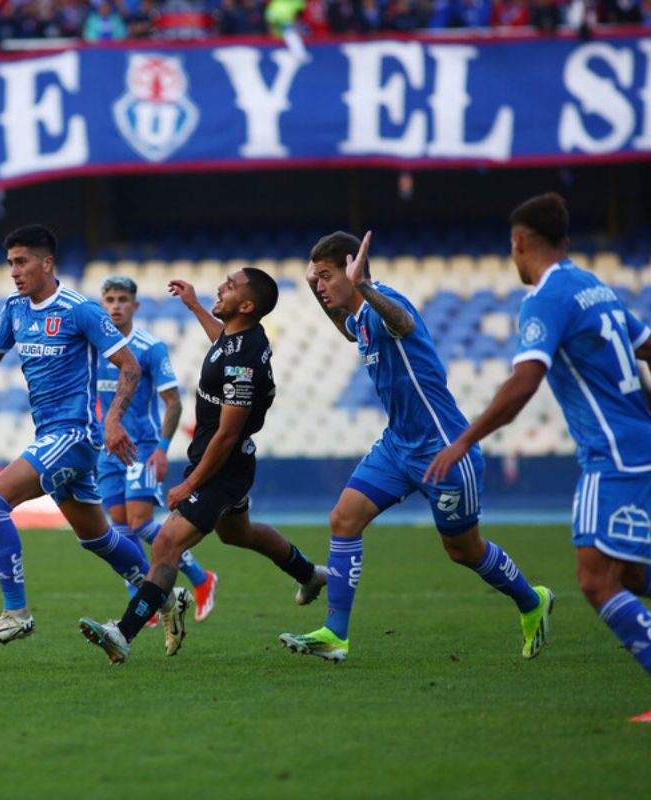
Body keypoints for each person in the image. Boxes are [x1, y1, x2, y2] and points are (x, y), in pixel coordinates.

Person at [425, 193, 651, 723]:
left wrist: (464, 439)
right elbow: (647, 349)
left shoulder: (546, 298)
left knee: (598, 581)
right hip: (638, 442)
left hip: (614, 454)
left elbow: (525, 381)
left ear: (519, 243)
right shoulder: (598, 288)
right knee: (633, 576)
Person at [279, 231, 552, 663]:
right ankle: (335, 633)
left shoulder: (386, 301)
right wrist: (318, 290)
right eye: (319, 280)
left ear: (353, 269)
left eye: (328, 277)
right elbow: (347, 330)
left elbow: (402, 323)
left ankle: (531, 600)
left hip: (442, 448)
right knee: (343, 519)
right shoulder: (359, 318)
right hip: (397, 445)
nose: (322, 285)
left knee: (462, 549)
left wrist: (363, 285)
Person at [79, 268, 328, 664]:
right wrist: (195, 304)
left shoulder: (245, 359)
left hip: (222, 466)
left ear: (247, 305)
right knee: (239, 533)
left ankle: (123, 633)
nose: (220, 287)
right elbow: (221, 349)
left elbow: (227, 435)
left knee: (165, 543)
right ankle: (308, 573)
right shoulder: (237, 340)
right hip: (221, 460)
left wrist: (190, 482)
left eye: (229, 286)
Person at [0, 224, 153, 646]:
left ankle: (15, 613)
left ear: (47, 262)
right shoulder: (15, 308)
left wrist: (112, 422)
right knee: (97, 539)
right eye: (10, 264)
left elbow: (130, 366)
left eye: (22, 262)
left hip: (74, 435)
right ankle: (162, 593)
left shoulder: (81, 310)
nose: (15, 271)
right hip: (51, 436)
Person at [96, 275, 219, 623]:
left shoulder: (150, 347)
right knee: (118, 530)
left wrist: (162, 449)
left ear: (135, 306)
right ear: (101, 305)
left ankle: (201, 578)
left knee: (140, 521)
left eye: (123, 299)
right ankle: (142, 602)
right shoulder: (95, 346)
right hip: (107, 452)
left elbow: (174, 404)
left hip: (142, 448)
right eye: (110, 299)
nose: (116, 305)